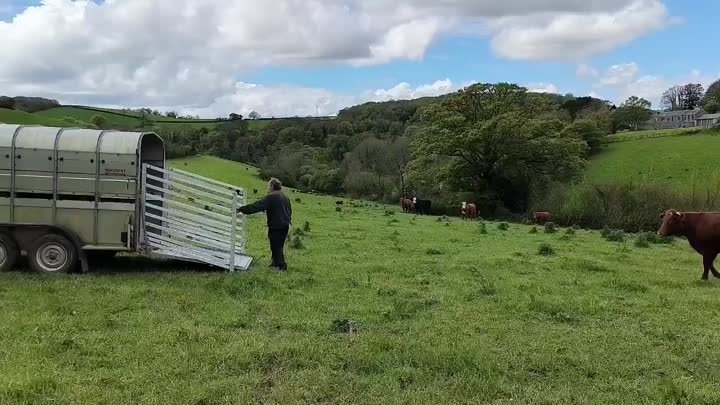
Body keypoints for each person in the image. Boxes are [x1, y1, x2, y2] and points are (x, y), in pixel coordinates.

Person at [237, 178, 292, 271]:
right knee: (279, 245)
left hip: (276, 225)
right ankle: (275, 262)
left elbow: (257, 206)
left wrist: (242, 209)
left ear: (272, 186)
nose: (268, 188)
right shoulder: (285, 196)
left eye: (268, 186)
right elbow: (289, 210)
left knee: (276, 246)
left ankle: (281, 266)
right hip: (285, 225)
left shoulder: (271, 196)